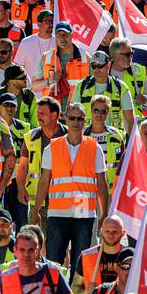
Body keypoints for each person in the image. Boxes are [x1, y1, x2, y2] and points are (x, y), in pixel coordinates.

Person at [33, 102, 109, 273]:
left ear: (85, 121)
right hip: (58, 214)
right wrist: (36, 209)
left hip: (84, 213)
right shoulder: (52, 147)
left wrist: (104, 212)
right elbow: (44, 181)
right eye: (72, 118)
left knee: (80, 265)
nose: (76, 122)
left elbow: (102, 182)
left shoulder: (94, 147)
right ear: (65, 119)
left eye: (80, 119)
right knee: (54, 264)